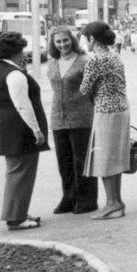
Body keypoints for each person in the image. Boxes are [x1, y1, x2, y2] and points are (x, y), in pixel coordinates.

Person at [0, 31, 49, 231]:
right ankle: (16, 218)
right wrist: (36, 130)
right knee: (21, 174)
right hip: (19, 130)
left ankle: (18, 212)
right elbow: (22, 104)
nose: (24, 52)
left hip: (5, 128)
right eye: (22, 49)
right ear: (15, 51)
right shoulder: (14, 74)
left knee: (16, 173)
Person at [78, 21, 130, 220]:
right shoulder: (115, 55)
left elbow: (84, 89)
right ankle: (117, 201)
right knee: (115, 157)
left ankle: (111, 203)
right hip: (122, 108)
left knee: (105, 158)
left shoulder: (95, 59)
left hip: (105, 111)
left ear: (91, 39)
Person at [45, 26, 98, 215]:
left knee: (81, 160)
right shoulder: (52, 62)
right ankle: (68, 198)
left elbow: (95, 88)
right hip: (58, 117)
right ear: (53, 44)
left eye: (65, 40)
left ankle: (86, 200)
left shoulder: (85, 61)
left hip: (82, 116)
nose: (62, 45)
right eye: (58, 42)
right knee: (64, 160)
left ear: (72, 40)